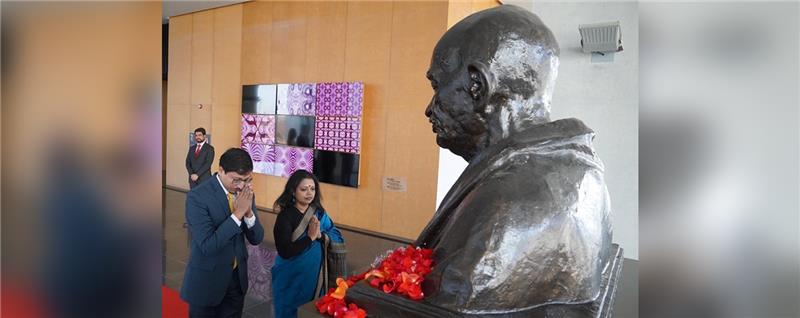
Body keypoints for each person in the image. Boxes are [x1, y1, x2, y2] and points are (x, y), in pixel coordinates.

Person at [415, 5, 614, 314]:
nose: (430, 108)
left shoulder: (508, 205)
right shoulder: (581, 175)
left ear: (477, 85)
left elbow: (456, 295)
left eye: (437, 85)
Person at [181, 148, 265, 318]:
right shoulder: (197, 197)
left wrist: (249, 214)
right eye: (236, 180)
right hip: (207, 281)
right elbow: (208, 245)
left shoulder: (245, 193)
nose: (241, 185)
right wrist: (238, 214)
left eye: (247, 179)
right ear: (221, 171)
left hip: (236, 279)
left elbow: (257, 238)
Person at [271, 170, 344, 318]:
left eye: (312, 189)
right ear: (293, 191)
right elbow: (284, 251)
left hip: (314, 275)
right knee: (289, 311)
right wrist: (310, 238)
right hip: (291, 277)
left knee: (311, 310)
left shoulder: (319, 212)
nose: (309, 193)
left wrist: (320, 236)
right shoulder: (285, 217)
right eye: (304, 189)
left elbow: (336, 235)